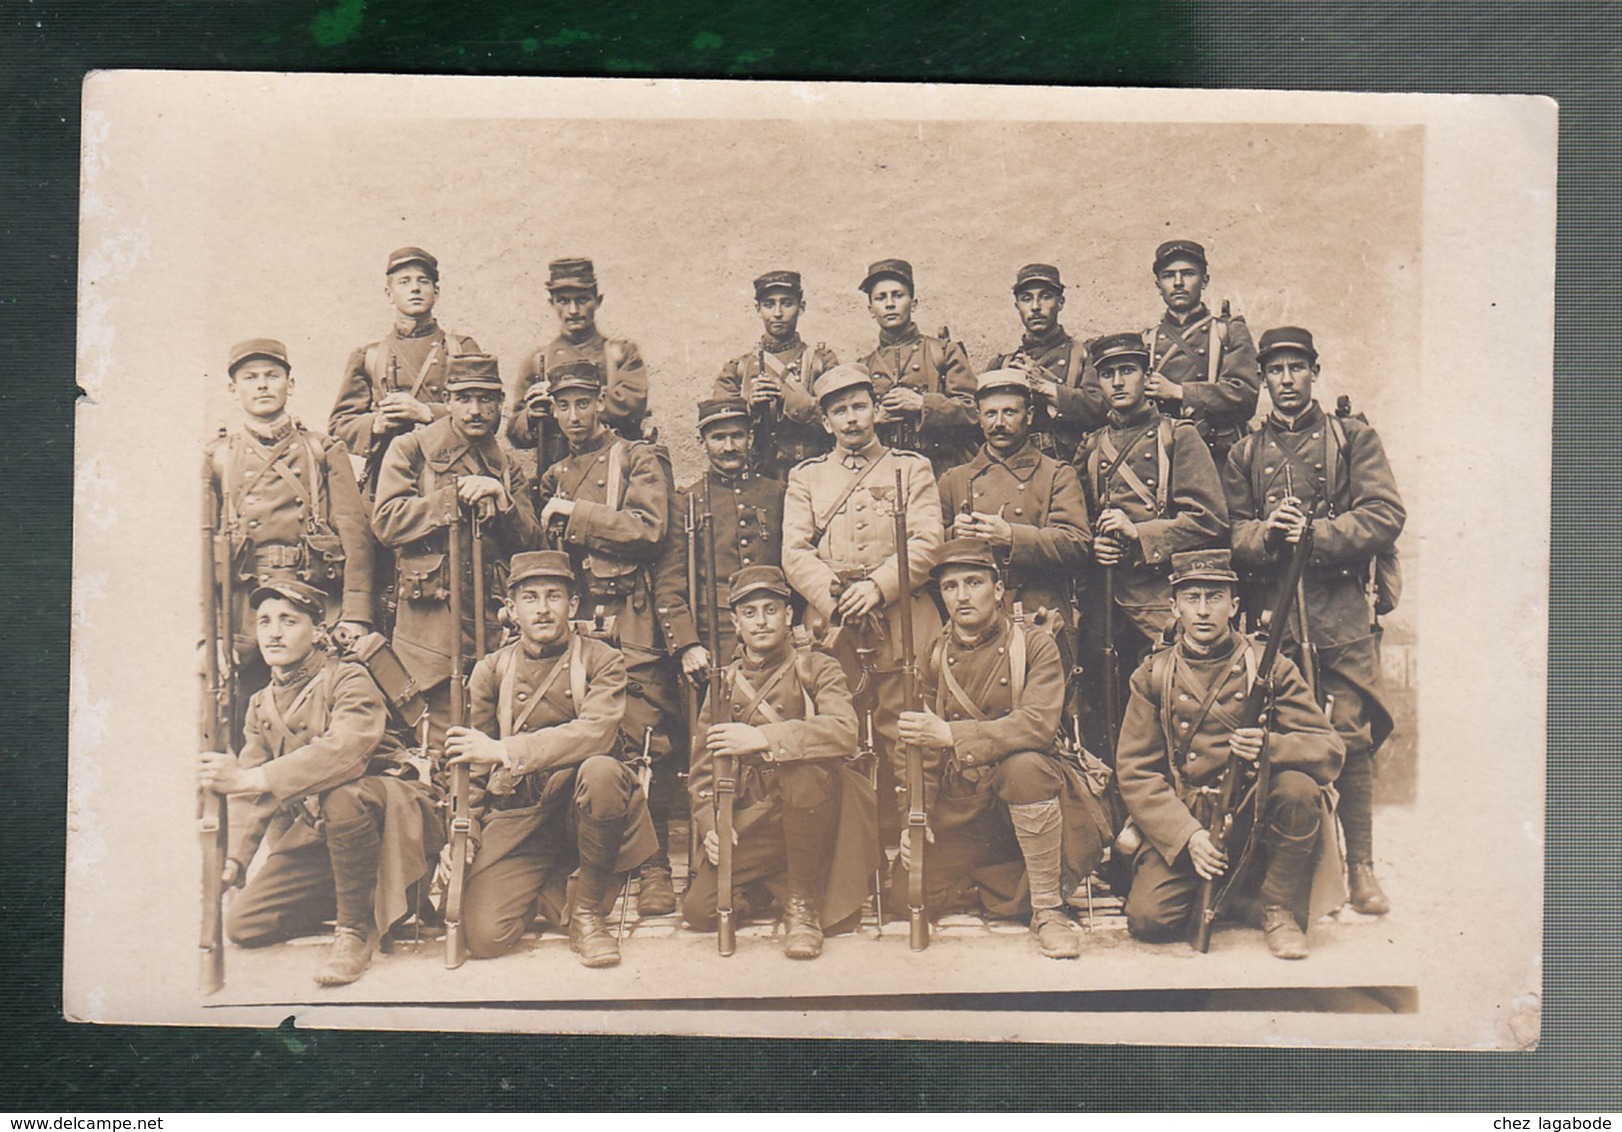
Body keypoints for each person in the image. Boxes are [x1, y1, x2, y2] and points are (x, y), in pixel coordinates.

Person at [1223, 326, 1407, 916]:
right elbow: (1226, 530)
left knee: (1350, 738)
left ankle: (1362, 870)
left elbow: (1385, 513)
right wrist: (1266, 535)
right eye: (1275, 370)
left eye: (1296, 368)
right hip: (1275, 619)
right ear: (1263, 380)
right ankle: (1278, 877)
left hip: (1340, 617)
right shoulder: (1244, 453)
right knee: (1278, 740)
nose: (1286, 380)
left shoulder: (1352, 439)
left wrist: (1320, 534)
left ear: (1314, 372)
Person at [197, 580, 442, 986]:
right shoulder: (260, 704)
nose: (274, 632)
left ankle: (354, 930)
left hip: (387, 821)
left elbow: (345, 752)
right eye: (264, 622)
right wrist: (234, 861)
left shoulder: (348, 679)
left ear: (317, 630)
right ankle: (369, 893)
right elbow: (250, 792)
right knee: (246, 925)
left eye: (289, 621)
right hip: (325, 836)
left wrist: (250, 777)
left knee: (340, 793)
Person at [1114, 549, 1346, 959]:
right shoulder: (1154, 674)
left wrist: (1270, 746)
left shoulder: (1268, 666)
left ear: (1234, 606)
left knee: (1298, 789)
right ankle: (1238, 898)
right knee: (1149, 921)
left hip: (1253, 818)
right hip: (1191, 823)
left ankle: (1277, 907)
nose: (1203, 610)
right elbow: (1136, 771)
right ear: (1174, 606)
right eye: (1193, 598)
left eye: (1215, 597)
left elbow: (1328, 749)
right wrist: (1188, 837)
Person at [895, 540, 1113, 958]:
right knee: (908, 893)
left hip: (1028, 793)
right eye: (950, 586)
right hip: (967, 803)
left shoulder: (1033, 645)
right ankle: (1001, 884)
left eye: (974, 582)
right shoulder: (934, 655)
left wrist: (954, 737)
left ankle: (1048, 910)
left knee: (1025, 766)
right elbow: (915, 746)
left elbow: (1038, 725)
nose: (962, 596)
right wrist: (913, 818)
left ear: (998, 590)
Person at [442, 551, 659, 968]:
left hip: (583, 814)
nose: (542, 609)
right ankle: (550, 887)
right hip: (521, 818)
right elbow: (472, 761)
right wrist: (463, 827)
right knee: (486, 937)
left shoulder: (602, 659)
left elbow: (597, 732)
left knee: (602, 771)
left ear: (572, 605)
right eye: (530, 598)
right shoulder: (491, 671)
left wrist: (507, 750)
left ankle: (588, 913)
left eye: (554, 596)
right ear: (512, 610)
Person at [534, 359, 682, 916]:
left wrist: (577, 513)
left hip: (633, 620)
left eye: (583, 403)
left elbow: (648, 529)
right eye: (562, 406)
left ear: (602, 403)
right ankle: (601, 864)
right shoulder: (552, 475)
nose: (574, 416)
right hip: (580, 624)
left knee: (647, 742)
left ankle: (657, 866)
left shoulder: (637, 457)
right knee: (588, 742)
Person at [682, 566, 879, 958]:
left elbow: (844, 731)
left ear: (788, 616)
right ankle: (778, 882)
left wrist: (763, 738)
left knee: (802, 772)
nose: (761, 621)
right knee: (700, 909)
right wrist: (710, 825)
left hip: (816, 811)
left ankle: (803, 904)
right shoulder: (723, 683)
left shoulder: (816, 666)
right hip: (756, 816)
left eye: (770, 609)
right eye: (750, 613)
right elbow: (703, 768)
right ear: (735, 622)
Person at [782, 363, 943, 838]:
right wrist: (836, 598)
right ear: (825, 422)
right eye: (839, 411)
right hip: (833, 623)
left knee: (906, 729)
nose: (851, 419)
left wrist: (877, 587)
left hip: (900, 619)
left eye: (858, 407)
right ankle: (845, 845)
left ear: (875, 409)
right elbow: (793, 552)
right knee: (838, 727)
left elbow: (928, 540)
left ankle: (914, 839)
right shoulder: (807, 477)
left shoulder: (910, 468)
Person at [205, 337, 374, 740]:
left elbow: (356, 536)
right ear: (234, 389)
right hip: (242, 611)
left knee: (315, 719)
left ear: (290, 384)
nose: (262, 385)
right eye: (250, 377)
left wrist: (356, 614)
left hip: (311, 602)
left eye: (272, 375)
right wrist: (207, 633)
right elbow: (198, 553)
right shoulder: (217, 458)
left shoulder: (321, 450)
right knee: (239, 721)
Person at [371, 353, 541, 752]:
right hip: (428, 636)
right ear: (447, 399)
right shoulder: (412, 449)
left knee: (488, 744)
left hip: (491, 633)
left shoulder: (507, 467)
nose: (476, 410)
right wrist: (449, 500)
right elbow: (386, 522)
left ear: (500, 404)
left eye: (487, 399)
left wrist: (502, 501)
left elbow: (534, 545)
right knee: (434, 748)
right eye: (465, 398)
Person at [1076, 332, 1229, 754]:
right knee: (1105, 718)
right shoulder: (1091, 446)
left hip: (1157, 601)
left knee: (1168, 716)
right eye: (1108, 374)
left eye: (1128, 371)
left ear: (1146, 376)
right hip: (1104, 606)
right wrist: (1094, 543)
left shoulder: (1178, 436)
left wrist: (1140, 534)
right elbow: (1075, 520)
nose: (1119, 382)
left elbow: (1210, 521)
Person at [937, 367, 1091, 720]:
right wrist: (952, 538)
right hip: (975, 620)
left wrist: (1011, 536)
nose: (999, 423)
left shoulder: (1056, 474)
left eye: (1010, 412)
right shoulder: (954, 480)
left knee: (1047, 718)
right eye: (990, 414)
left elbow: (1077, 545)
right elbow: (930, 554)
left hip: (1038, 613)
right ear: (978, 418)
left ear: (1029, 416)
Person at [328, 247, 482, 494]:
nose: (415, 288)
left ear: (436, 292)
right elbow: (339, 426)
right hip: (390, 479)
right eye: (404, 282)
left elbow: (487, 417)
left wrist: (426, 412)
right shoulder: (368, 356)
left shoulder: (460, 349)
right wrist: (376, 424)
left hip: (451, 477)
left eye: (423, 281)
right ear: (389, 294)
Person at [654, 397, 786, 685]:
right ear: (702, 442)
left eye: (738, 436)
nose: (729, 447)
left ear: (750, 437)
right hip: (714, 636)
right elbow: (669, 584)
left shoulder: (777, 494)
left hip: (775, 631)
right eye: (718, 438)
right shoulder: (686, 501)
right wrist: (687, 645)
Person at [507, 257, 651, 458]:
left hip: (615, 468)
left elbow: (631, 406)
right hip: (559, 472)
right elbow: (515, 431)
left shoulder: (620, 355)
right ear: (552, 303)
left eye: (582, 300)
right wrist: (531, 416)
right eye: (563, 301)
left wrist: (561, 399)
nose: (573, 310)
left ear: (597, 301)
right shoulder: (538, 360)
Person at [856, 258, 979, 477]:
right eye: (880, 298)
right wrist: (874, 419)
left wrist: (923, 403)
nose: (890, 304)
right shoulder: (864, 367)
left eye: (898, 295)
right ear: (870, 309)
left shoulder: (943, 352)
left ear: (913, 304)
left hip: (940, 470)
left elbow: (974, 412)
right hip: (881, 472)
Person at [1141, 239, 1259, 467]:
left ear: (1204, 281)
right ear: (1158, 286)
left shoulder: (1228, 331)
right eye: (1168, 276)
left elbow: (1245, 395)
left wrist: (1179, 391)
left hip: (1218, 458)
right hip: (1164, 459)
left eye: (1187, 274)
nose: (1177, 283)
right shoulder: (1148, 340)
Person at [712, 270, 839, 479]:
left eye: (787, 303)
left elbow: (838, 417)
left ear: (802, 307)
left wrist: (789, 399)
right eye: (769, 304)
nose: (778, 313)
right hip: (758, 478)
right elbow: (720, 427)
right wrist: (749, 405)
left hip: (815, 474)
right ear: (758, 309)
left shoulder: (821, 362)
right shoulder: (738, 369)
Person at [985, 263, 1109, 462]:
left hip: (1071, 467)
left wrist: (1045, 387)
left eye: (1045, 296)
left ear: (1060, 302)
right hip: (1013, 469)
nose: (1035, 307)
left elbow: (1102, 408)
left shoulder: (1084, 354)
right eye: (1027, 299)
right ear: (1017, 306)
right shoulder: (1001, 364)